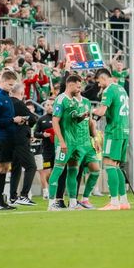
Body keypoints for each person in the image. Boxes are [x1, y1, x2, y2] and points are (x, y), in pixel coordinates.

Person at [46, 75, 100, 211]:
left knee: (73, 171)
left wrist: (82, 118)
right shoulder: (61, 100)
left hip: (77, 142)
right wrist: (61, 142)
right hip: (65, 142)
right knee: (58, 170)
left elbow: (76, 120)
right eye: (78, 86)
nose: (80, 89)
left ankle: (73, 202)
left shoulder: (76, 101)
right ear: (70, 85)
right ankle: (51, 203)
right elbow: (55, 121)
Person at [92, 68, 130, 210]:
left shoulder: (108, 90)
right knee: (116, 165)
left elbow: (102, 111)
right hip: (124, 130)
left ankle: (114, 202)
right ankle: (124, 201)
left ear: (103, 78)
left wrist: (90, 111)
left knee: (108, 164)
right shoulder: (121, 89)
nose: (99, 85)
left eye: (98, 82)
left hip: (114, 131)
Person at [0, 70, 25, 210]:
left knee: (4, 168)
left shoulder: (6, 97)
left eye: (13, 85)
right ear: (2, 82)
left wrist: (17, 121)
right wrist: (13, 120)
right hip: (1, 137)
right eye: (10, 84)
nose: (11, 87)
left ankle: (1, 201)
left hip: (10, 137)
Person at [8, 83, 38, 206]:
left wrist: (23, 120)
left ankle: (13, 197)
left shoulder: (7, 103)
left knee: (16, 168)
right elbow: (33, 119)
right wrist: (26, 121)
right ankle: (24, 195)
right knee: (31, 166)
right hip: (20, 140)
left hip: (10, 139)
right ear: (21, 93)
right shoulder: (18, 103)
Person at [34, 98, 55, 199]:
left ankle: (56, 192)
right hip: (46, 150)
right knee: (47, 172)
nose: (49, 107)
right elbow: (35, 133)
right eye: (47, 105)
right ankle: (48, 191)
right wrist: (43, 135)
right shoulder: (41, 119)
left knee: (58, 172)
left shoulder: (60, 118)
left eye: (52, 105)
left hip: (59, 149)